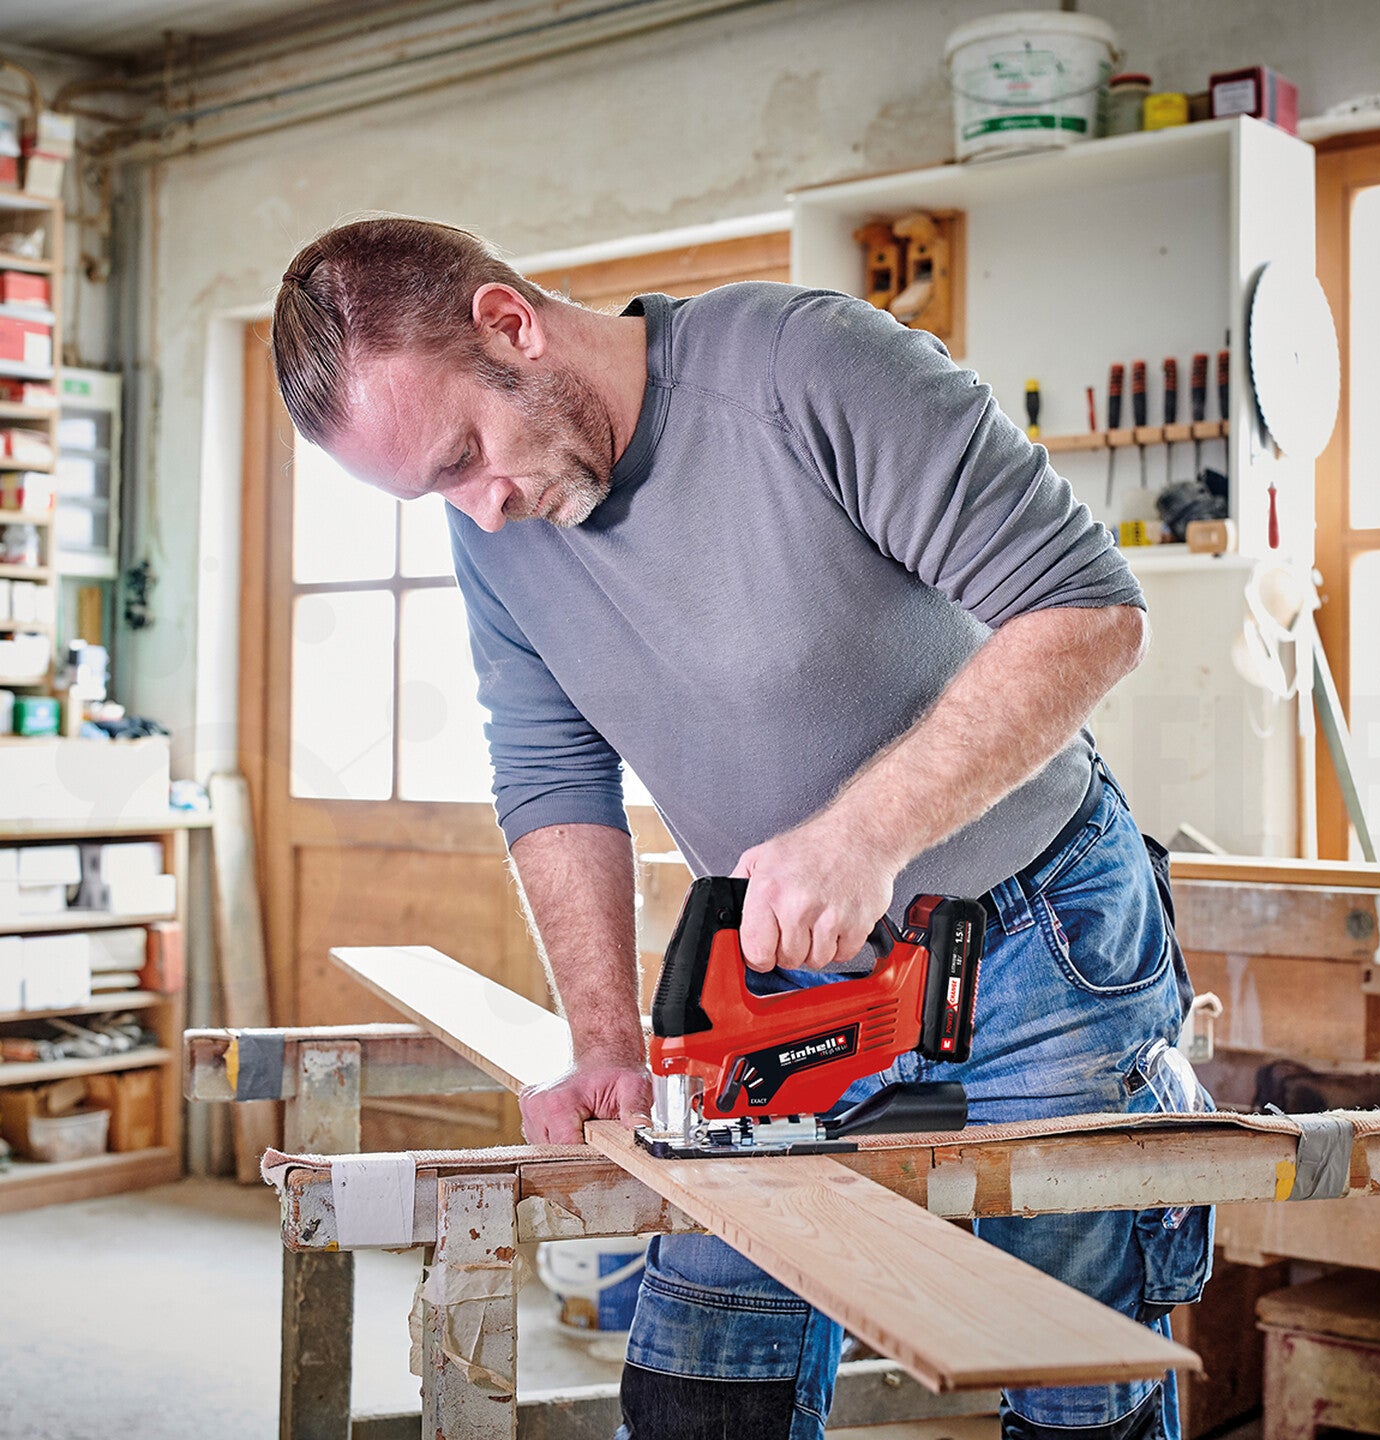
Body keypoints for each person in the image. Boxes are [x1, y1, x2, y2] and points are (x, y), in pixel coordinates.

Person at [271, 216, 1212, 1440]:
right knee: (703, 1387)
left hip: (1040, 938)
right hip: (777, 971)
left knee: (1076, 1384)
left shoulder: (805, 368)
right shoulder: (493, 523)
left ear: (510, 325)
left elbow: (1090, 611)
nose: (481, 511)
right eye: (436, 490)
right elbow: (552, 773)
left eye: (463, 456)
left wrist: (863, 835)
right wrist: (604, 1039)